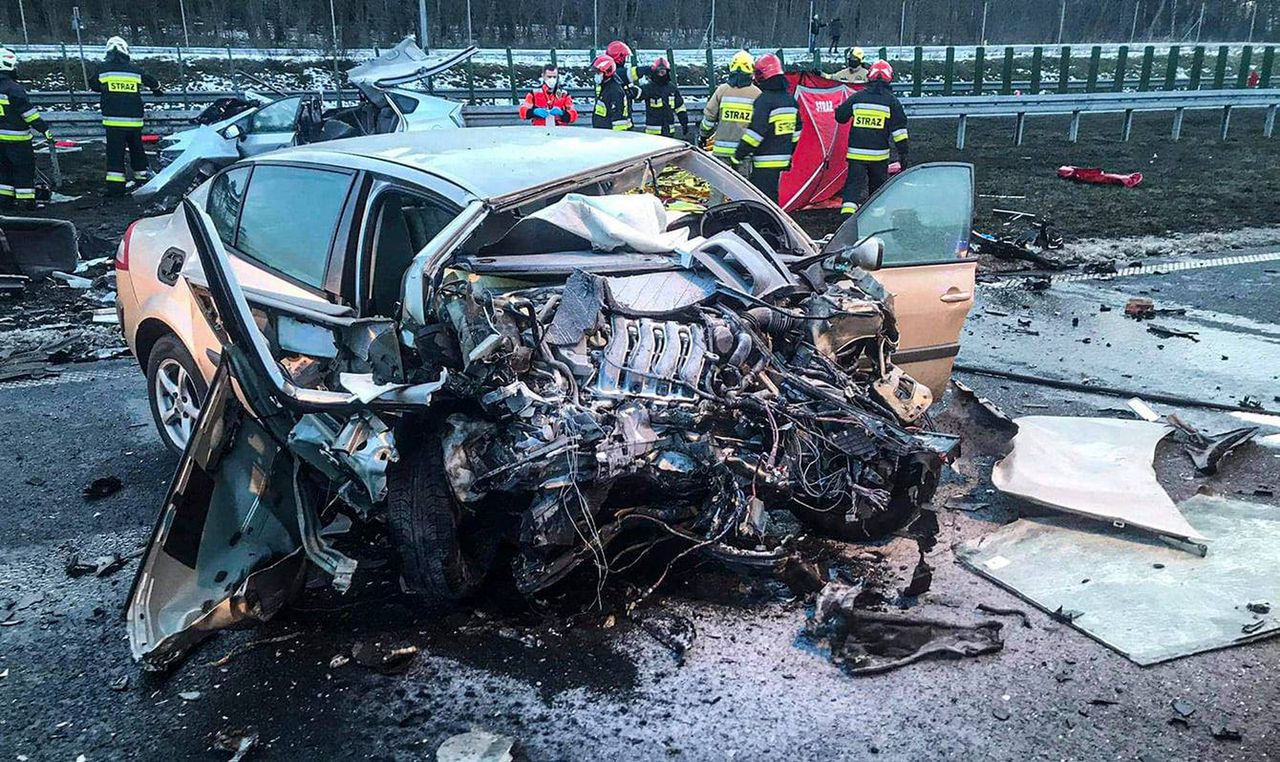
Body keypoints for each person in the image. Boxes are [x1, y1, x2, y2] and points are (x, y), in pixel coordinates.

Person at [834, 60, 909, 215]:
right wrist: (903, 154)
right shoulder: (892, 102)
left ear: (870, 77)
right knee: (877, 190)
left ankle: (846, 220)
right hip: (879, 157)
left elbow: (840, 117)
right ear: (889, 78)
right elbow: (899, 133)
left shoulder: (857, 97)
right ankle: (875, 220)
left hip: (856, 155)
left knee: (852, 188)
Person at [89, 36, 162, 196]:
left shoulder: (103, 69)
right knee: (137, 150)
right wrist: (157, 89)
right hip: (134, 122)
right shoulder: (134, 70)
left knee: (115, 153)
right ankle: (143, 179)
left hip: (113, 122)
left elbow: (93, 85)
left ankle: (116, 188)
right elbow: (152, 82)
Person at [733, 53, 802, 203]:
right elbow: (797, 131)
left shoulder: (764, 100)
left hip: (764, 160)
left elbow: (755, 133)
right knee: (772, 197)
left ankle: (764, 226)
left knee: (762, 201)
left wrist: (738, 155)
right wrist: (789, 150)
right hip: (782, 159)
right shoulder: (790, 100)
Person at [0, 48, 52, 210]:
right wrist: (44, 129)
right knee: (23, 169)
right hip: (17, 139)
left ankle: (4, 201)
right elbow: (28, 114)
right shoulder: (13, 88)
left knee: (3, 170)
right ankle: (26, 202)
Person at [700, 51, 762, 163]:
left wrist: (703, 136)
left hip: (721, 152)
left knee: (720, 180)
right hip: (744, 153)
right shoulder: (757, 94)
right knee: (741, 181)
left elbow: (708, 119)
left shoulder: (722, 90)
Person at [636, 57, 688, 138]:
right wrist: (632, 91)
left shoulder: (672, 88)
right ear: (655, 72)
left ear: (667, 72)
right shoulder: (649, 88)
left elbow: (679, 107)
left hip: (669, 131)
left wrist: (684, 122)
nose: (661, 74)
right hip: (653, 133)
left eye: (663, 71)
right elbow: (638, 94)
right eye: (659, 71)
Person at [591, 55, 632, 131]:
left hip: (610, 136)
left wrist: (615, 139)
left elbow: (618, 120)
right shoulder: (605, 87)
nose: (595, 75)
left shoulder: (615, 91)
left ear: (607, 72)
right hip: (602, 133)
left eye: (598, 72)